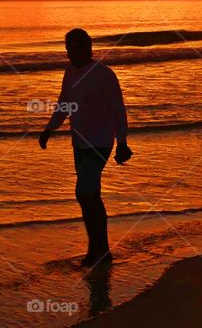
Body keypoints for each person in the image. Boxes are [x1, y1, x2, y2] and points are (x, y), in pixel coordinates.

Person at [39, 28, 131, 267]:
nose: (68, 52)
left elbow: (118, 110)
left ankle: (99, 251)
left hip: (100, 142)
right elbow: (64, 104)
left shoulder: (104, 75)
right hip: (78, 142)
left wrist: (122, 142)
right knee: (90, 195)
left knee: (85, 193)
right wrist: (49, 129)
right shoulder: (69, 73)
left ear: (85, 48)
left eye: (71, 48)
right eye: (67, 47)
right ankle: (100, 250)